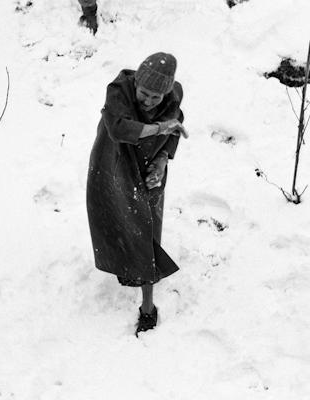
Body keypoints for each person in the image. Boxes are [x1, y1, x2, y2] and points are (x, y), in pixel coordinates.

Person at [86, 52, 188, 336]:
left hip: (148, 167)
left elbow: (175, 124)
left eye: (156, 97)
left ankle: (148, 306)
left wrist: (163, 158)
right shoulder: (119, 91)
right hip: (114, 161)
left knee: (146, 229)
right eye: (144, 93)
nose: (149, 100)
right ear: (136, 85)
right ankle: (125, 262)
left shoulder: (172, 97)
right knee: (115, 215)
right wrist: (159, 127)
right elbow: (118, 128)